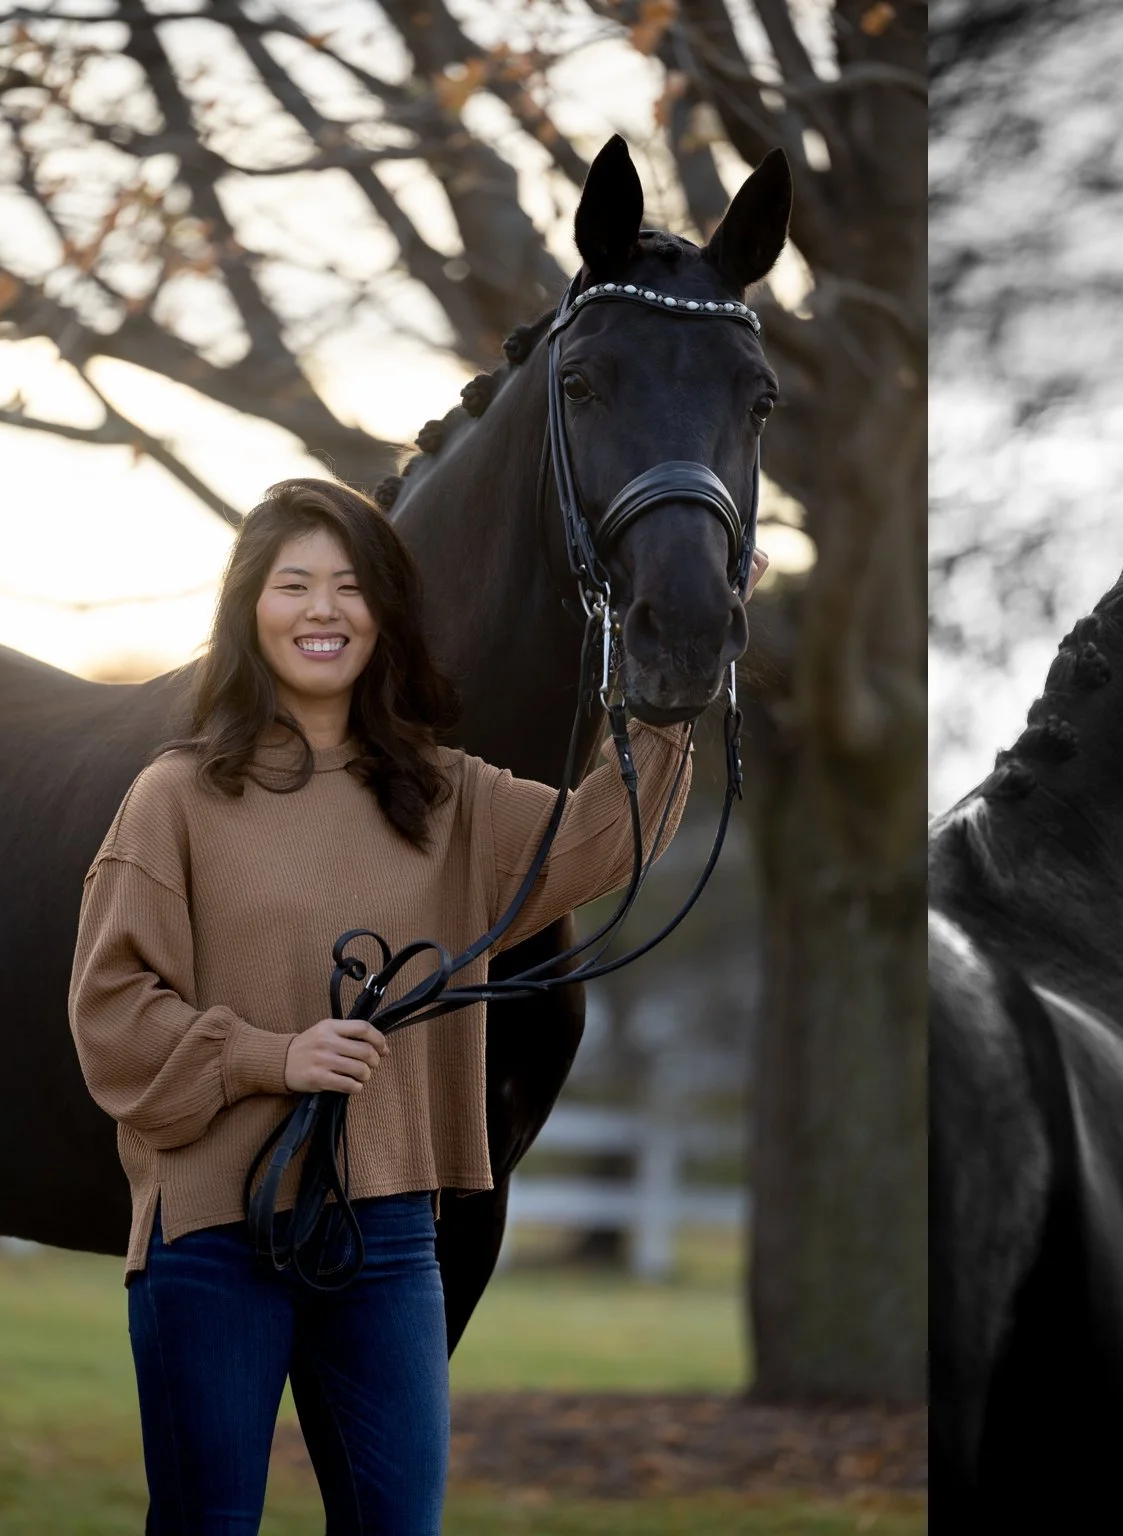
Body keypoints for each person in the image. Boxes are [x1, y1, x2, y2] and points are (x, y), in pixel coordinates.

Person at [67, 478, 756, 1533]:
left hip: (387, 1235)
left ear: (383, 613)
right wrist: (269, 1057)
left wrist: (676, 681)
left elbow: (605, 837)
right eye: (292, 584)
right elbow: (110, 1008)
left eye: (348, 586)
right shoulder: (177, 796)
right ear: (250, 609)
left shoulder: (447, 797)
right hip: (211, 1236)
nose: (321, 609)